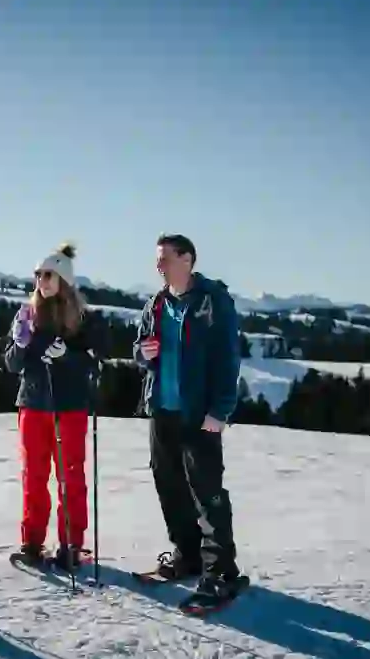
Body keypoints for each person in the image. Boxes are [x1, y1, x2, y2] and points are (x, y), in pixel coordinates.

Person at [132, 233, 246, 600]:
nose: (158, 265)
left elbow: (228, 358)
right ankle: (187, 555)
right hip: (162, 409)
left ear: (187, 259)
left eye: (164, 257)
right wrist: (142, 353)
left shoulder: (213, 301)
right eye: (158, 259)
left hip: (200, 414)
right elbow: (141, 350)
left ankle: (221, 572)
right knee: (169, 485)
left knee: (207, 491)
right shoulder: (156, 304)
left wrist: (220, 410)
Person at [4, 242, 96, 571]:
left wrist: (68, 356)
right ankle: (32, 542)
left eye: (48, 275)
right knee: (34, 475)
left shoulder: (81, 320)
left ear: (64, 281)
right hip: (33, 404)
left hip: (68, 407)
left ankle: (71, 544)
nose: (41, 280)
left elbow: (92, 363)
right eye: (38, 274)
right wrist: (19, 343)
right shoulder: (27, 316)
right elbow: (12, 365)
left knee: (70, 476)